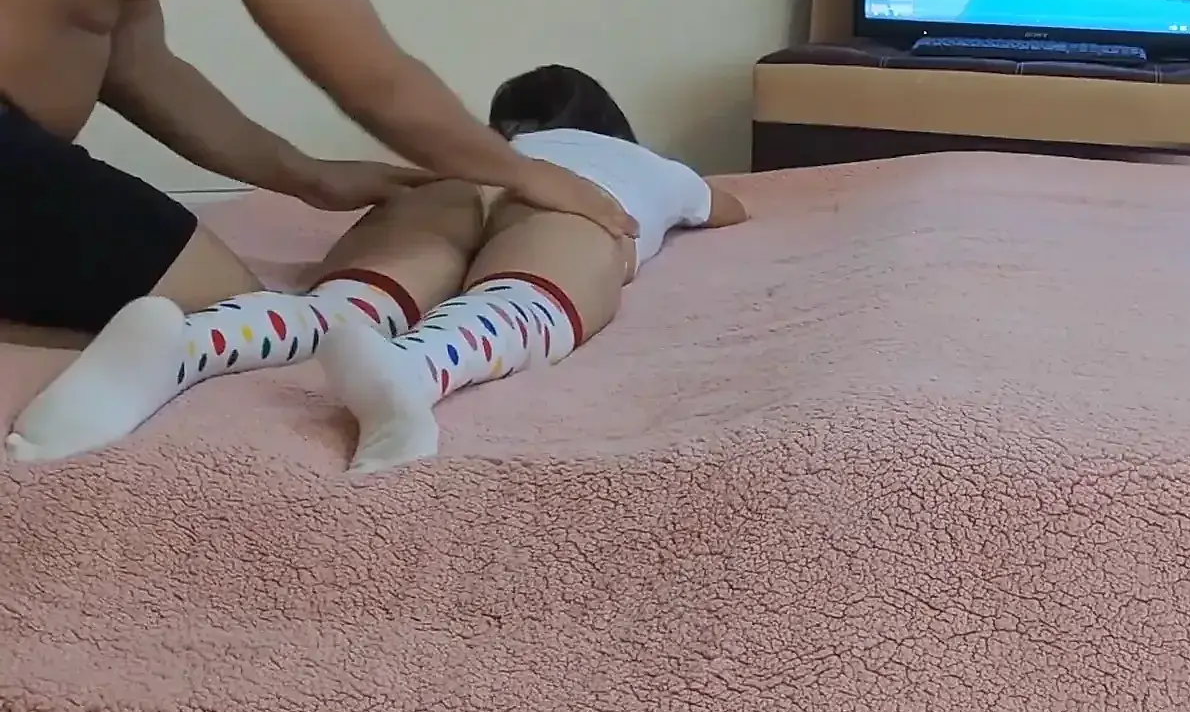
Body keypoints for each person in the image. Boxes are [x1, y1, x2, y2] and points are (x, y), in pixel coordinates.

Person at [0, 0, 635, 351]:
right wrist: (522, 173)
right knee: (228, 320)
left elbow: (137, 65)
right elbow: (373, 79)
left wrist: (305, 175)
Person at [7, 66, 748, 470]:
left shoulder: (479, 155)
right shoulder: (642, 164)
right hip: (577, 201)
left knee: (348, 304)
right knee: (526, 295)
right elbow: (726, 205)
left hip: (447, 185)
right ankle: (416, 369)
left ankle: (188, 344)